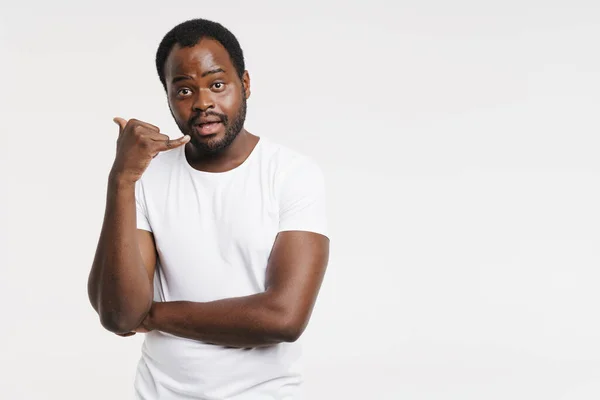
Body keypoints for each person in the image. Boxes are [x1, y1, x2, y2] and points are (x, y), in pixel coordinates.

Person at [87, 18, 330, 399]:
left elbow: (284, 317)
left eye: (217, 84)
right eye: (184, 90)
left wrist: (151, 314)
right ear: (167, 96)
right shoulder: (145, 177)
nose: (202, 103)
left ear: (245, 84)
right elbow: (118, 315)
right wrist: (121, 179)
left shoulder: (292, 174)